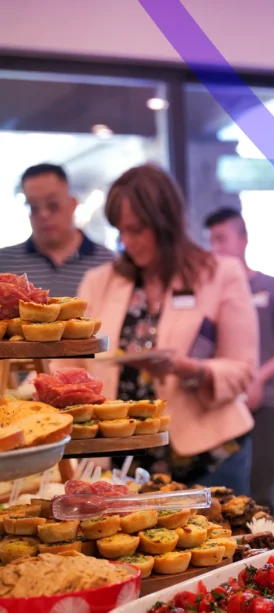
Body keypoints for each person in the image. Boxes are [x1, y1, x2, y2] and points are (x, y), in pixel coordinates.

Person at [75, 165, 258, 493]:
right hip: (123, 464)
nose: (127, 242)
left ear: (166, 223)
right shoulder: (98, 282)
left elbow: (243, 369)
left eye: (136, 230)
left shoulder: (220, 274)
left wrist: (192, 370)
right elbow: (70, 366)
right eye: (121, 231)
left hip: (208, 457)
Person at [204, 207, 274, 513]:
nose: (216, 248)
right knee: (223, 497)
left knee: (261, 495)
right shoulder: (209, 293)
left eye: (222, 238)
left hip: (264, 403)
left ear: (243, 239)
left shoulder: (271, 287)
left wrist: (258, 376)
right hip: (224, 404)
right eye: (211, 240)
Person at [0, 164, 114, 296]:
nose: (43, 215)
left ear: (73, 204)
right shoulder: (4, 263)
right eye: (33, 207)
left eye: (53, 205)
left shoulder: (108, 263)